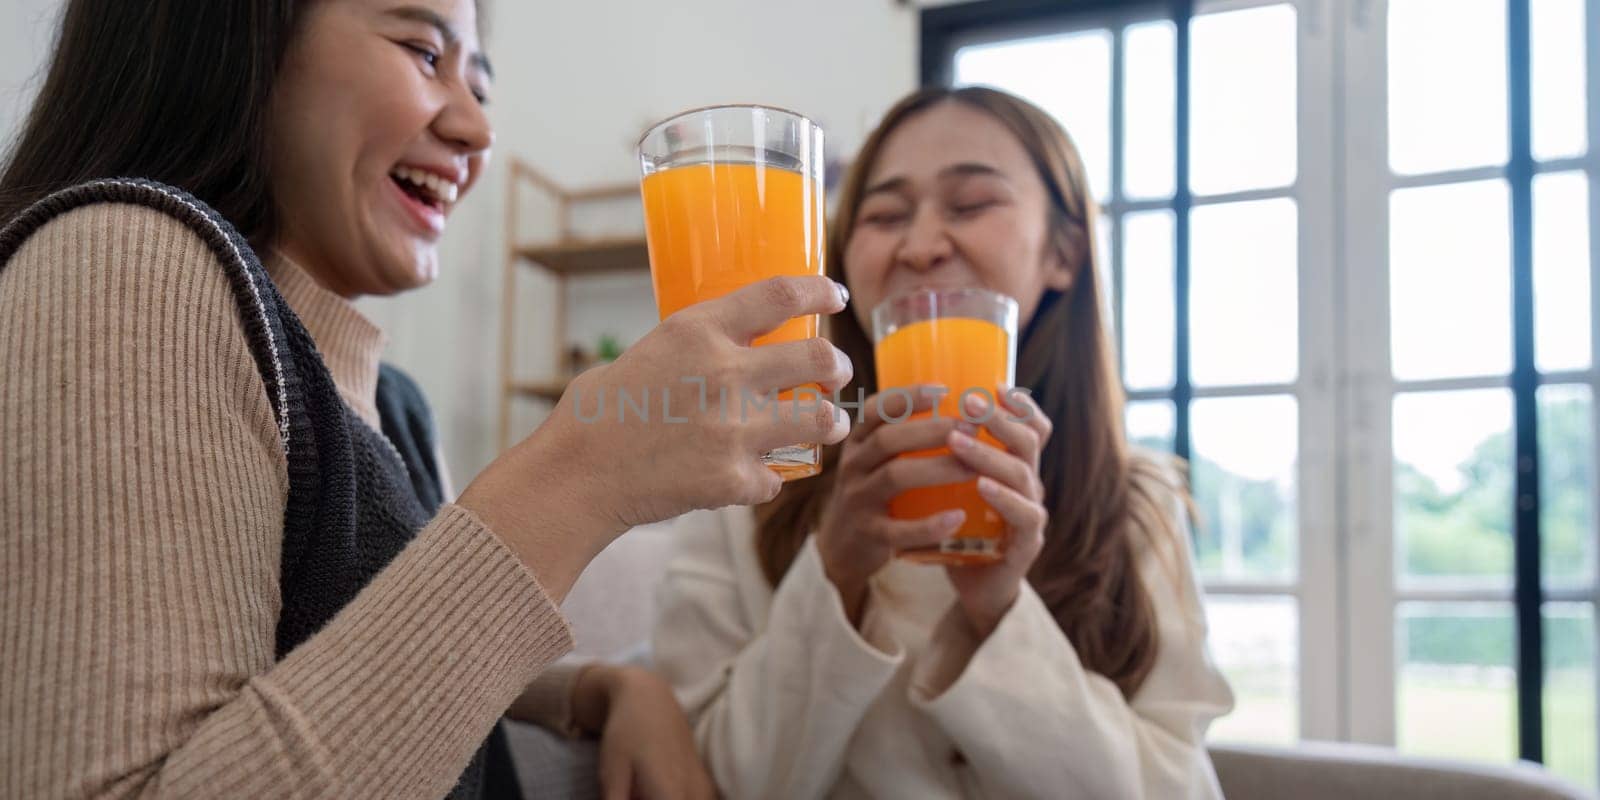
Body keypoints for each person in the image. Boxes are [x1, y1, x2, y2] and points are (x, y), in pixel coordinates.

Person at [0, 1, 855, 797]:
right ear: (236, 37)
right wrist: (579, 478)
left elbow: (372, 664)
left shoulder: (396, 404)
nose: (478, 128)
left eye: (479, 85)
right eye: (424, 54)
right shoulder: (122, 262)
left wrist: (598, 688)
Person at [652, 86, 1236, 799]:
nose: (921, 246)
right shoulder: (745, 486)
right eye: (885, 214)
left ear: (1064, 252)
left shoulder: (1138, 502)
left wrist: (997, 612)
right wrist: (835, 567)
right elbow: (716, 782)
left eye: (970, 205)